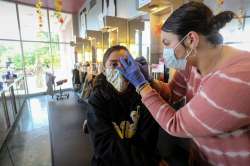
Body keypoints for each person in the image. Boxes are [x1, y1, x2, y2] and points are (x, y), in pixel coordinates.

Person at [117, 2, 250, 166]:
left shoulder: (233, 80)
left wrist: (142, 86)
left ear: (191, 40)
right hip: (200, 156)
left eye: (166, 43)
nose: (165, 51)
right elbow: (172, 93)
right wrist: (149, 80)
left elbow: (175, 123)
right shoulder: (192, 63)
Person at [87, 45, 163, 166]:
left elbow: (149, 141)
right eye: (113, 64)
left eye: (125, 64)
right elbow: (104, 145)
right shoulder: (97, 99)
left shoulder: (144, 97)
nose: (120, 70)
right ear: (103, 69)